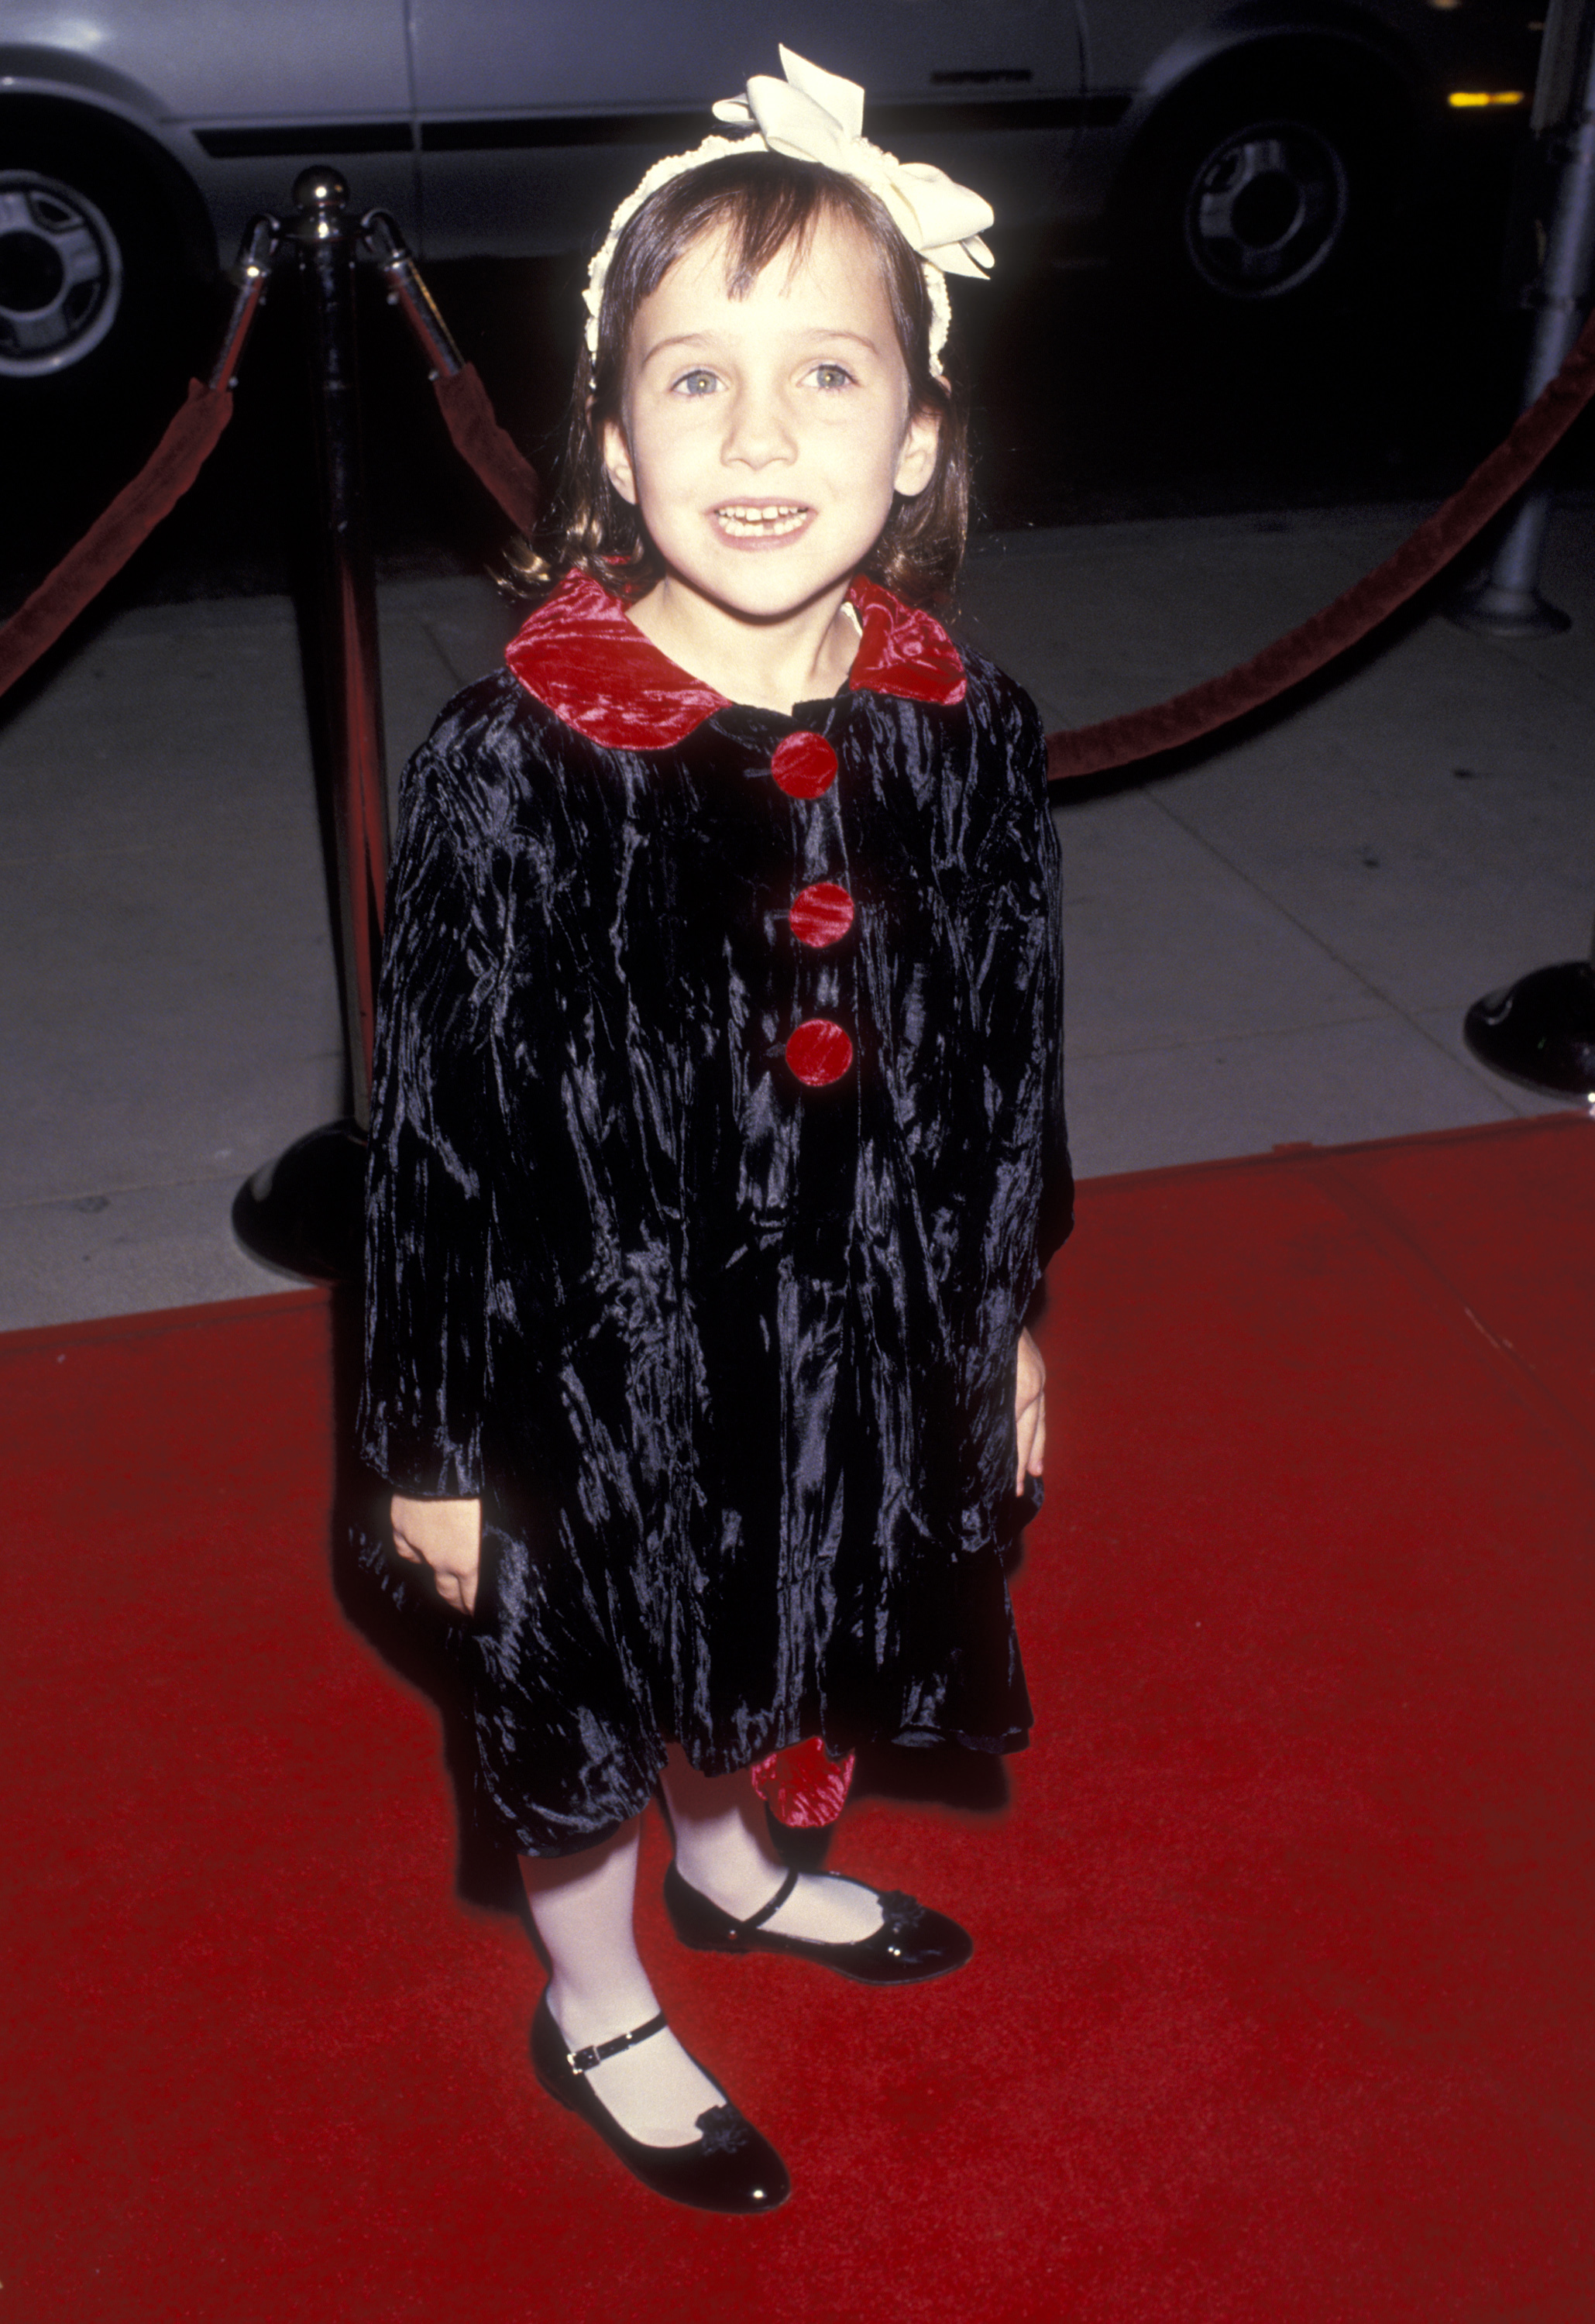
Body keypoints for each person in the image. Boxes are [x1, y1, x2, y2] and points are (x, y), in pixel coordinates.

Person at [355, 46, 1071, 2215]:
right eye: (692, 380)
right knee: (585, 1696)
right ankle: (596, 1994)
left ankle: (741, 1861)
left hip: (861, 1336)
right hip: (591, 1371)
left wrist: (1009, 1314)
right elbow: (428, 1136)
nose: (759, 441)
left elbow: (1009, 1049)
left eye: (825, 374)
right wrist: (431, 1446)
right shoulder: (524, 754)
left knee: (786, 1631)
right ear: (605, 437)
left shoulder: (964, 721)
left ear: (919, 433)